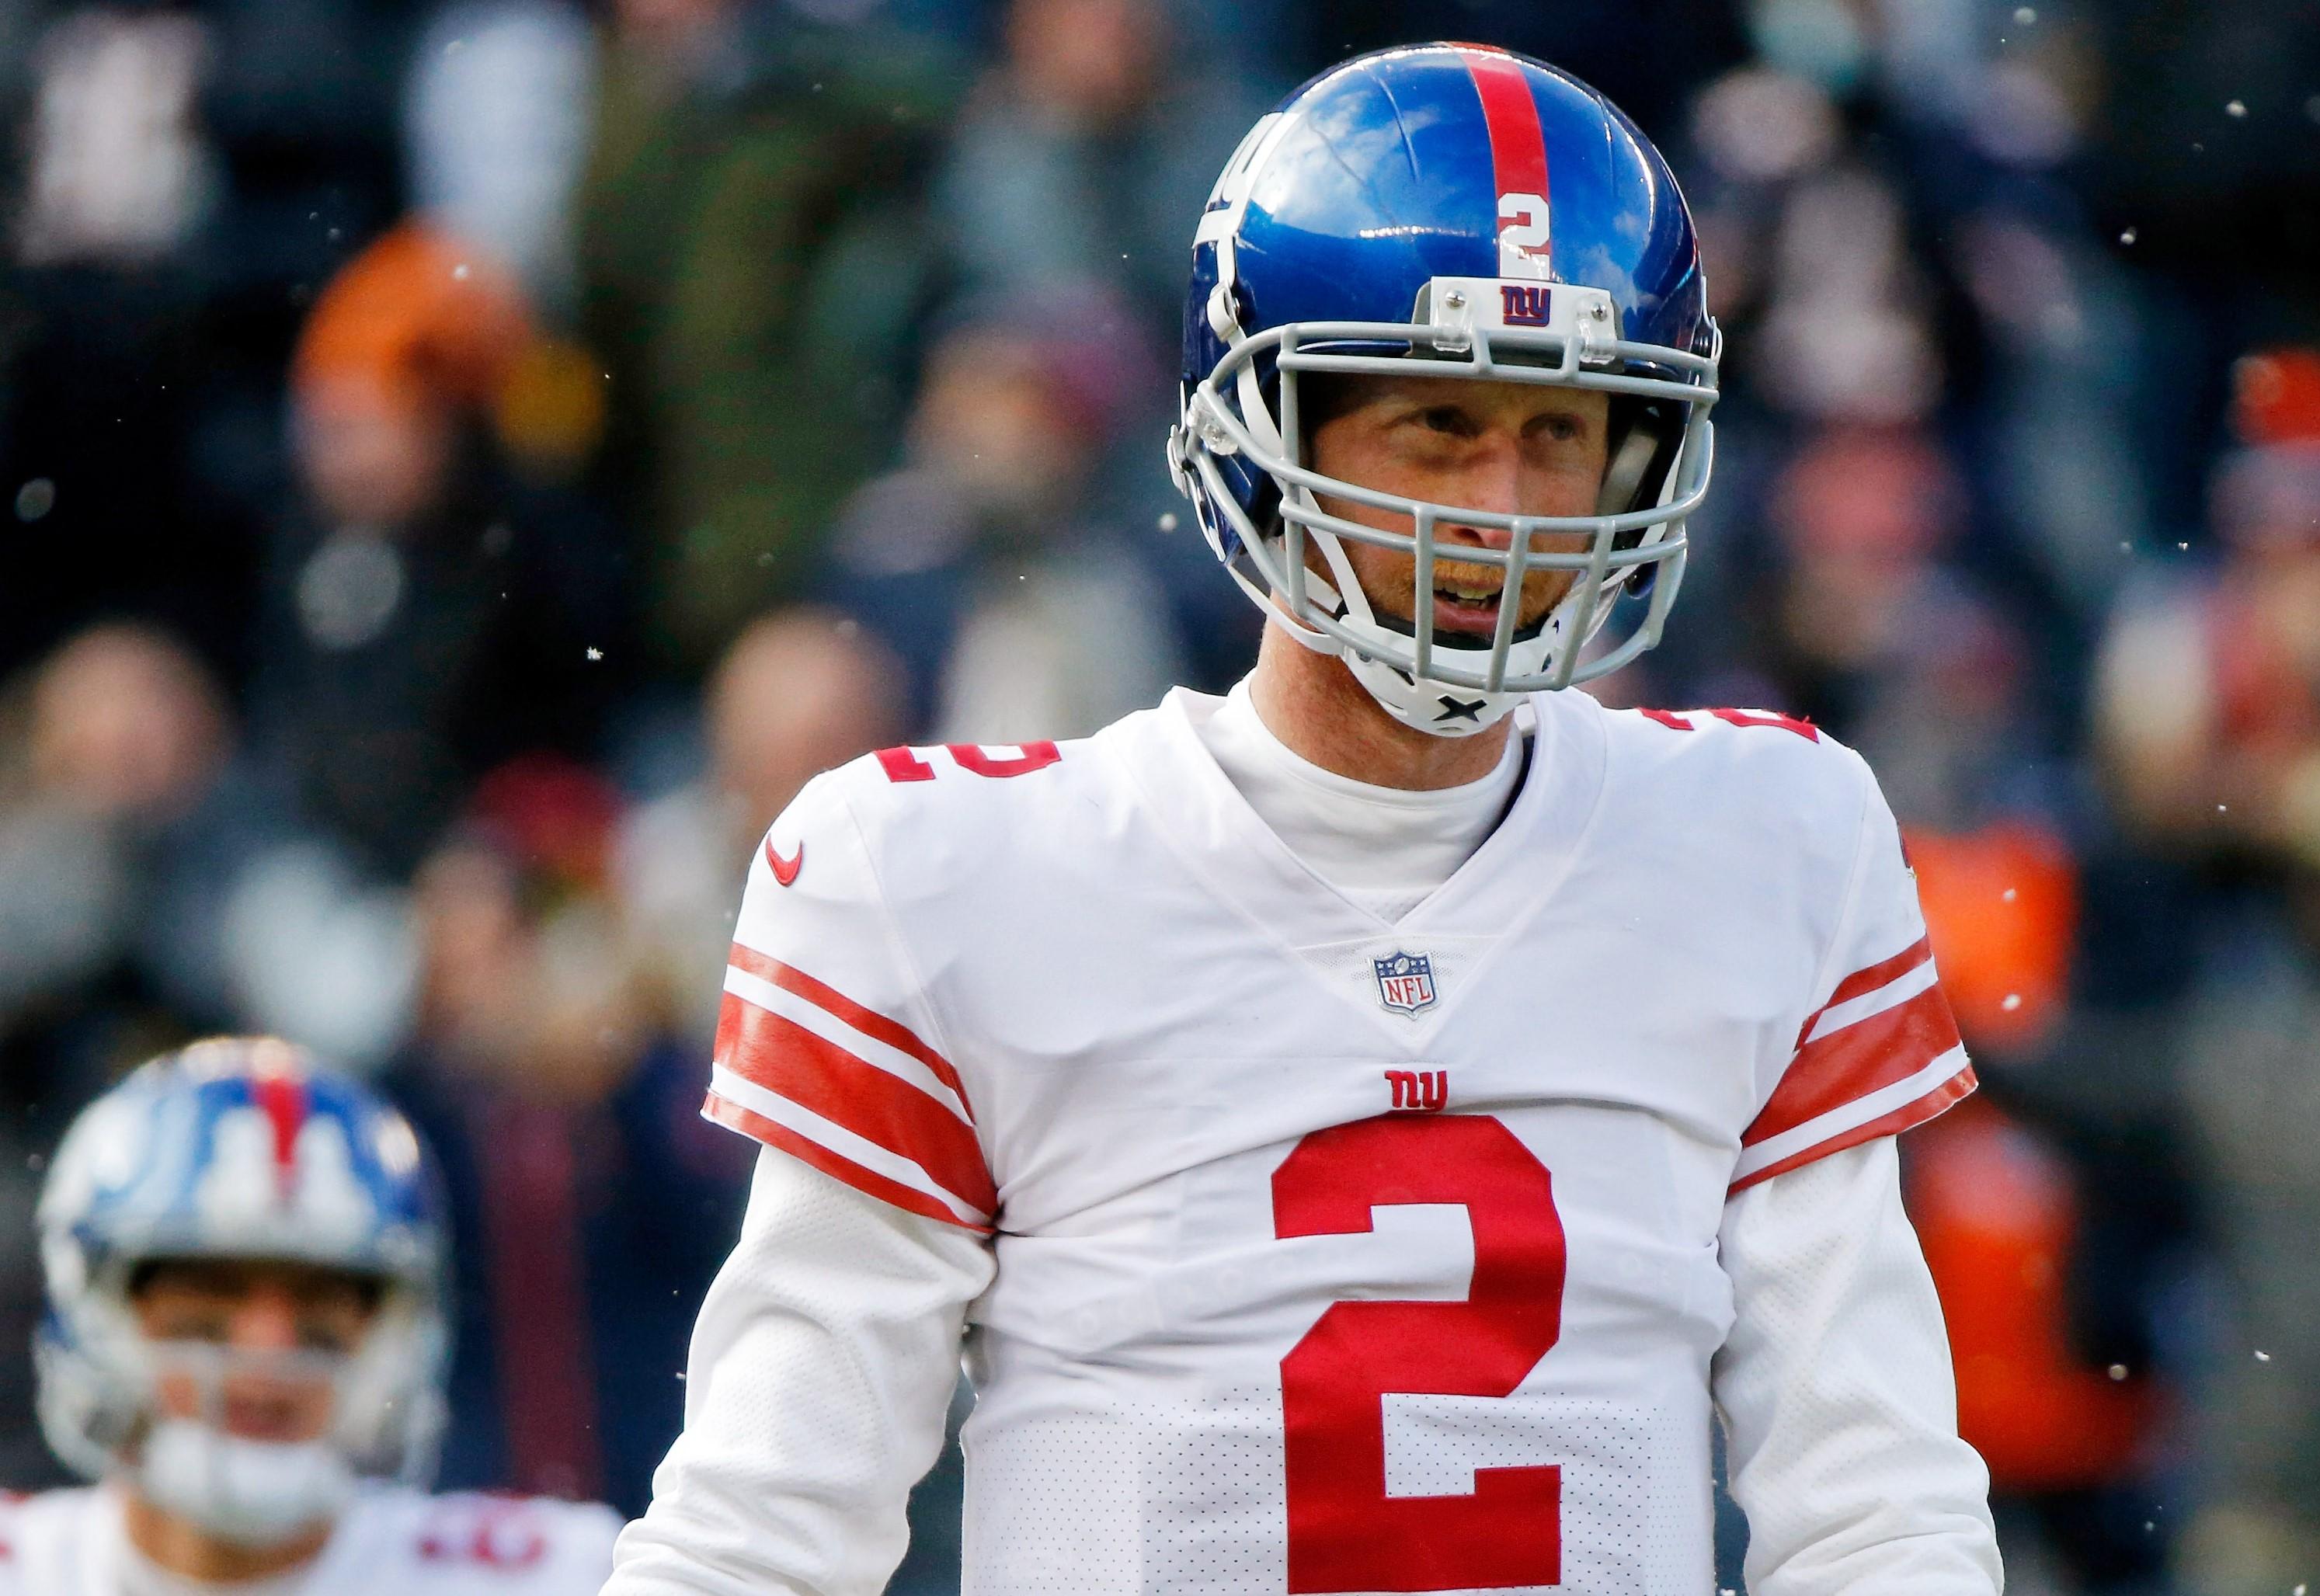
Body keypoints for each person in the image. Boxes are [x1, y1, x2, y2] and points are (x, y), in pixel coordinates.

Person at [609, 43, 2003, 1596]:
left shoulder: (1762, 843)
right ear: (1268, 431)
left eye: (1561, 430)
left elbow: (1877, 1512)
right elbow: (768, 1530)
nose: (1504, 505)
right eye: (1438, 424)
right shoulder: (958, 883)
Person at [2, 1036, 621, 1591]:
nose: (268, 1348)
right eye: (208, 1303)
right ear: (97, 1310)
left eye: (322, 1308)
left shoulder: (552, 1575)